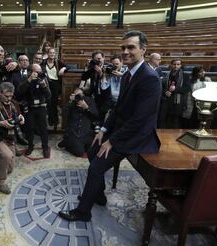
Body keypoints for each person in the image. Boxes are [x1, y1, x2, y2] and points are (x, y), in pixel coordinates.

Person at [58, 30, 161, 222]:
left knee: (96, 167)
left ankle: (83, 212)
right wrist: (104, 130)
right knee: (92, 150)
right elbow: (118, 108)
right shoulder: (127, 75)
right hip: (121, 129)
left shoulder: (150, 78)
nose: (125, 51)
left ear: (143, 50)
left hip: (136, 135)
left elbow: (140, 119)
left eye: (131, 47)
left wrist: (111, 141)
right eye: (123, 47)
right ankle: (98, 195)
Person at [0, 82, 24, 194]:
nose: (9, 99)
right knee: (7, 155)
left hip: (10, 136)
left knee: (10, 169)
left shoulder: (14, 103)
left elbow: (18, 116)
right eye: (6, 96)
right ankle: (1, 182)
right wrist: (1, 123)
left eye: (11, 96)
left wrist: (21, 118)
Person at [18, 64, 51, 158]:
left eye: (40, 71)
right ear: (30, 72)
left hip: (41, 107)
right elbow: (20, 92)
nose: (39, 73)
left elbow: (49, 96)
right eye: (36, 71)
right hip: (30, 107)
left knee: (43, 129)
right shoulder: (25, 79)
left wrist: (44, 86)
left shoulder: (43, 79)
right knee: (30, 128)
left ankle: (45, 147)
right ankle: (30, 146)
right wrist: (29, 80)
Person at [58, 88, 98, 157]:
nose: (79, 97)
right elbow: (64, 115)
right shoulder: (71, 103)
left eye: (80, 95)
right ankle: (67, 142)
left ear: (84, 95)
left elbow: (96, 116)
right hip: (74, 133)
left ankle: (67, 142)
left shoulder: (89, 101)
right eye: (76, 95)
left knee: (93, 150)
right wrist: (70, 102)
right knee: (79, 153)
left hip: (86, 133)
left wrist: (87, 107)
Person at [158, 58, 190, 129]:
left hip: (178, 102)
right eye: (174, 64)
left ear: (181, 65)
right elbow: (162, 87)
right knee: (164, 121)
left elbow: (187, 89)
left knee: (175, 122)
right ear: (171, 65)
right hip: (167, 100)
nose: (176, 66)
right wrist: (165, 92)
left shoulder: (185, 76)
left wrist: (176, 89)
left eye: (178, 64)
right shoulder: (167, 75)